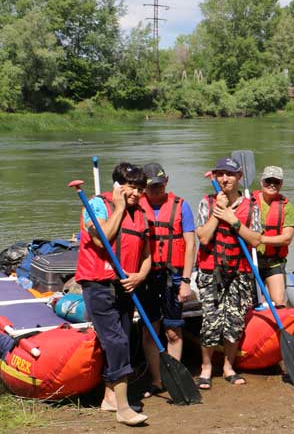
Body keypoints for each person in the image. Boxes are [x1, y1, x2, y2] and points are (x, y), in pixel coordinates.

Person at [75, 163, 150, 426]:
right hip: (98, 285)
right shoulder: (95, 206)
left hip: (125, 286)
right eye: (131, 187)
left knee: (124, 341)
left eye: (140, 189)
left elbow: (147, 255)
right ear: (118, 186)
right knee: (116, 342)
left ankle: (109, 398)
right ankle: (123, 407)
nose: (136, 194)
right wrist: (118, 208)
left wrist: (139, 275)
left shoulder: (140, 213)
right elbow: (102, 238)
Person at [195, 157, 262, 389]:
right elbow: (203, 237)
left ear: (239, 177)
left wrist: (234, 221)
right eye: (220, 174)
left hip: (239, 273)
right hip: (210, 272)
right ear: (215, 177)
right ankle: (206, 368)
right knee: (210, 323)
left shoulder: (251, 205)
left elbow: (255, 240)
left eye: (230, 174)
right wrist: (218, 213)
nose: (225, 179)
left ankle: (228, 367)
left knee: (234, 322)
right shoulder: (206, 203)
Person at [138, 163, 196, 399]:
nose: (156, 191)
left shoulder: (181, 206)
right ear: (144, 187)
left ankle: (173, 376)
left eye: (160, 185)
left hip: (173, 276)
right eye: (151, 187)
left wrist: (186, 281)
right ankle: (157, 380)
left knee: (173, 331)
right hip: (147, 276)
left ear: (167, 182)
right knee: (151, 330)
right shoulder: (136, 206)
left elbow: (190, 244)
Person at [252, 166, 294, 307]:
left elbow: (286, 238)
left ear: (281, 184)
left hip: (274, 261)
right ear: (261, 182)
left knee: (279, 302)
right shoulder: (248, 202)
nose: (272, 184)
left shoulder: (286, 207)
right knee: (250, 302)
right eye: (268, 180)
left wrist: (260, 239)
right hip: (250, 260)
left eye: (276, 182)